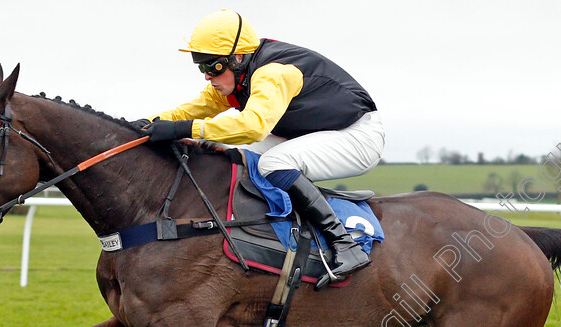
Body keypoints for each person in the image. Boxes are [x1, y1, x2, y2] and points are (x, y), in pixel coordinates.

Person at [141, 10, 384, 287]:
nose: (208, 76)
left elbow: (253, 126)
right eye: (202, 67)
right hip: (318, 132)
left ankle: (345, 244)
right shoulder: (239, 75)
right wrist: (148, 124)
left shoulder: (273, 73)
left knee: (271, 162)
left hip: (357, 135)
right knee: (244, 155)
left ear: (238, 57)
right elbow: (192, 110)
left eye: (213, 67)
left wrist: (183, 130)